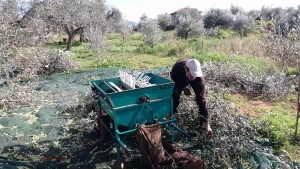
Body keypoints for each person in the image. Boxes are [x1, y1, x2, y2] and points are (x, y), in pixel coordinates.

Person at [170, 58, 212, 136]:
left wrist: (207, 124)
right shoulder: (177, 69)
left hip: (185, 76)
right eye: (192, 73)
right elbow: (173, 78)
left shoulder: (199, 79)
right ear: (186, 69)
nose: (193, 76)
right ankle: (172, 116)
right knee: (175, 97)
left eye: (195, 74)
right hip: (179, 75)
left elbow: (202, 100)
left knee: (200, 101)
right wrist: (183, 88)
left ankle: (202, 126)